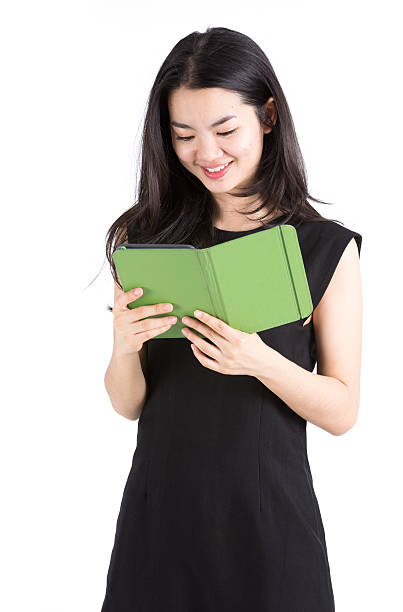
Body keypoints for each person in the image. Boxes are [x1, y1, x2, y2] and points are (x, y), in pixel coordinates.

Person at [100, 27, 363, 612]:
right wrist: (123, 347)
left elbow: (343, 409)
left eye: (225, 131)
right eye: (184, 135)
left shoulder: (322, 249)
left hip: (268, 527)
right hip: (160, 522)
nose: (207, 153)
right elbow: (128, 403)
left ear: (267, 116)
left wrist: (258, 361)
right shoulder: (144, 239)